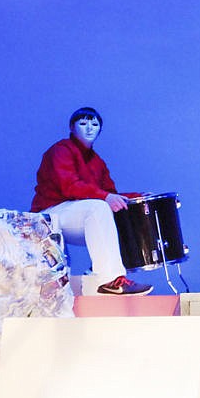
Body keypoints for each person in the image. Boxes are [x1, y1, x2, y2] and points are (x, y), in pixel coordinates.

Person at [31, 107, 153, 295]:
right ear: (72, 127)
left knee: (119, 211)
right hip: (49, 215)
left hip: (76, 213)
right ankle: (110, 279)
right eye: (83, 123)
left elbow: (110, 193)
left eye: (95, 124)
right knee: (98, 207)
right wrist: (105, 197)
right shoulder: (61, 150)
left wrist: (136, 196)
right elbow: (69, 186)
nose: (89, 128)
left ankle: (100, 273)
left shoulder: (97, 162)